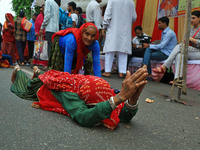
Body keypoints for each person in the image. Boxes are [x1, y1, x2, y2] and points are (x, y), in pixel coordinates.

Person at [10, 64, 148, 129]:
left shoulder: (102, 90)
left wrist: (132, 99)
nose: (109, 101)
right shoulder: (70, 94)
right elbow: (82, 117)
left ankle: (38, 70)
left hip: (65, 78)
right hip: (41, 87)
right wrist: (119, 98)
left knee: (47, 73)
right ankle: (18, 68)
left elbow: (121, 114)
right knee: (25, 83)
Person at [153, 10, 200, 80]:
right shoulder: (191, 29)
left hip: (198, 52)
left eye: (193, 18)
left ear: (199, 18)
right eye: (190, 18)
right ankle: (177, 78)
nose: (191, 20)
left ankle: (164, 66)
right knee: (179, 55)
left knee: (180, 46)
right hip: (191, 50)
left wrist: (191, 39)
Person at [102, 0, 137, 78]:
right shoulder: (131, 2)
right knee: (123, 51)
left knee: (110, 49)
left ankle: (107, 71)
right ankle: (122, 72)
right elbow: (134, 17)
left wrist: (104, 26)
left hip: (113, 28)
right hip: (125, 29)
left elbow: (108, 14)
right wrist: (127, 22)